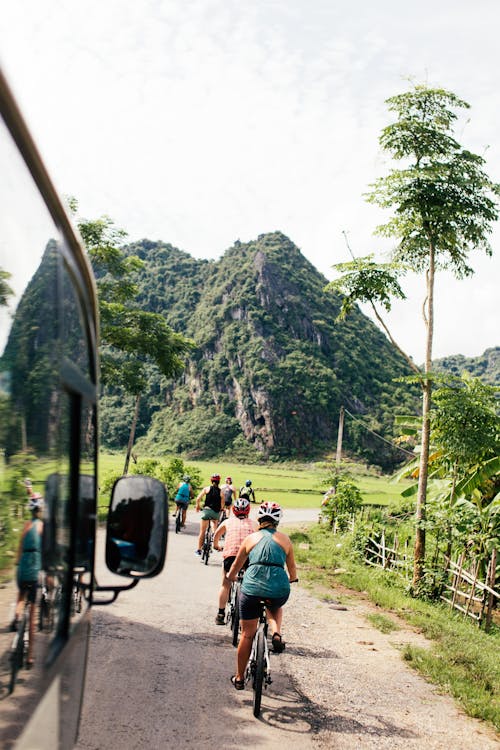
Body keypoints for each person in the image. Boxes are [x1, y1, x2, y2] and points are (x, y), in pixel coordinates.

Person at [227, 501, 298, 690]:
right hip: (278, 589)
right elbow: (292, 569)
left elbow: (236, 565)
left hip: (251, 590)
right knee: (275, 605)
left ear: (259, 518)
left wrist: (230, 576)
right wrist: (293, 579)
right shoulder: (285, 540)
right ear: (278, 521)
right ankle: (276, 633)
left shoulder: (251, 538)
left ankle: (240, 677)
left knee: (247, 635)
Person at [11, 494, 44, 667]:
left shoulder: (25, 526)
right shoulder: (42, 527)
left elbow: (18, 553)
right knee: (32, 615)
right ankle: (30, 656)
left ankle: (16, 617)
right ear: (40, 510)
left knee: (21, 596)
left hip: (22, 570)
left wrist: (18, 563)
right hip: (34, 571)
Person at [212, 498, 258, 624]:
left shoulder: (227, 522)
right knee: (249, 584)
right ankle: (247, 614)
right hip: (248, 556)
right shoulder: (254, 524)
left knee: (225, 584)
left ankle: (221, 614)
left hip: (231, 555)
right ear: (248, 511)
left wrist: (216, 546)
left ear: (233, 510)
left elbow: (216, 535)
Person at [194, 473, 222, 556]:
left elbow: (198, 498)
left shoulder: (206, 489)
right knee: (214, 523)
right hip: (215, 513)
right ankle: (213, 535)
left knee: (202, 531)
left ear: (211, 480)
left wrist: (197, 506)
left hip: (206, 511)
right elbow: (222, 503)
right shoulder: (221, 492)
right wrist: (222, 508)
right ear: (219, 481)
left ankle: (199, 550)